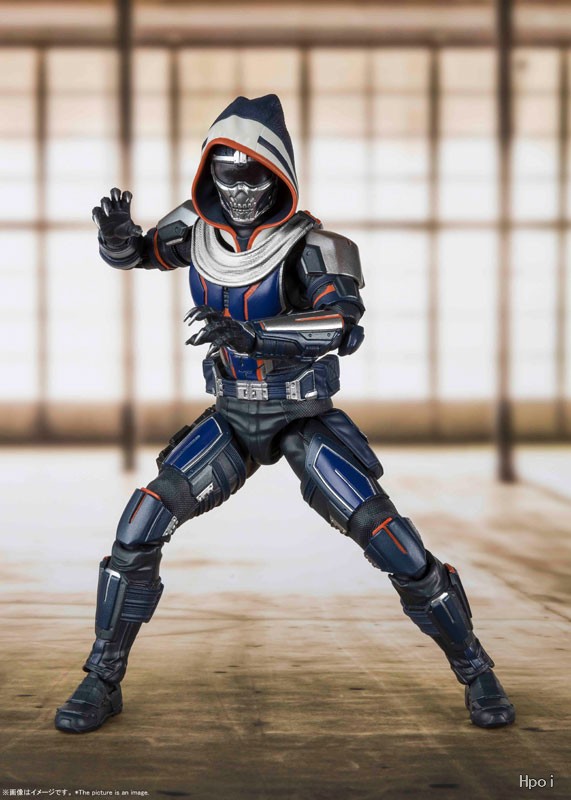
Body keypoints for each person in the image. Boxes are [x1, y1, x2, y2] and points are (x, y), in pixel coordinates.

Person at [55, 94, 515, 733]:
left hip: (300, 414)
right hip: (232, 415)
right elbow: (140, 254)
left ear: (279, 173)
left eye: (254, 175)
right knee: (140, 522)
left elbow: (341, 325)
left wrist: (256, 335)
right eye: (228, 174)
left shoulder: (314, 245)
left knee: (391, 539)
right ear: (209, 173)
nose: (241, 190)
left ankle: (476, 668)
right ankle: (102, 677)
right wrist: (115, 239)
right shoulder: (195, 229)